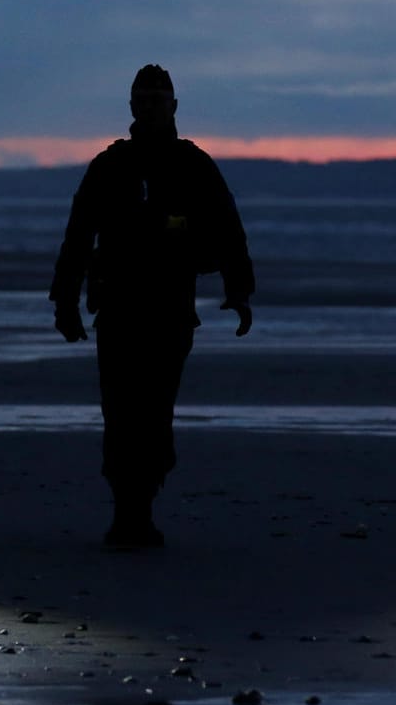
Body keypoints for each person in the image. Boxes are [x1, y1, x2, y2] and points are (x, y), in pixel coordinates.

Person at [50, 64, 255, 549]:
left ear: (173, 107)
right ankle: (127, 512)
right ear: (131, 108)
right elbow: (78, 233)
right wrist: (65, 301)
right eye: (142, 100)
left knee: (155, 411)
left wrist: (239, 289)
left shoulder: (193, 165)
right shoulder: (110, 165)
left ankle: (140, 507)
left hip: (169, 310)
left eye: (157, 100)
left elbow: (227, 227)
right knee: (120, 411)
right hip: (118, 308)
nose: (149, 108)